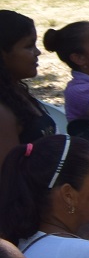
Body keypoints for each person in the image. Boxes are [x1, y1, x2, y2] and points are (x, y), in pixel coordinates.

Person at [0, 12, 56, 155]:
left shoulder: (15, 90)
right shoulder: (3, 112)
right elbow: (9, 172)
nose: (37, 52)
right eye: (29, 46)